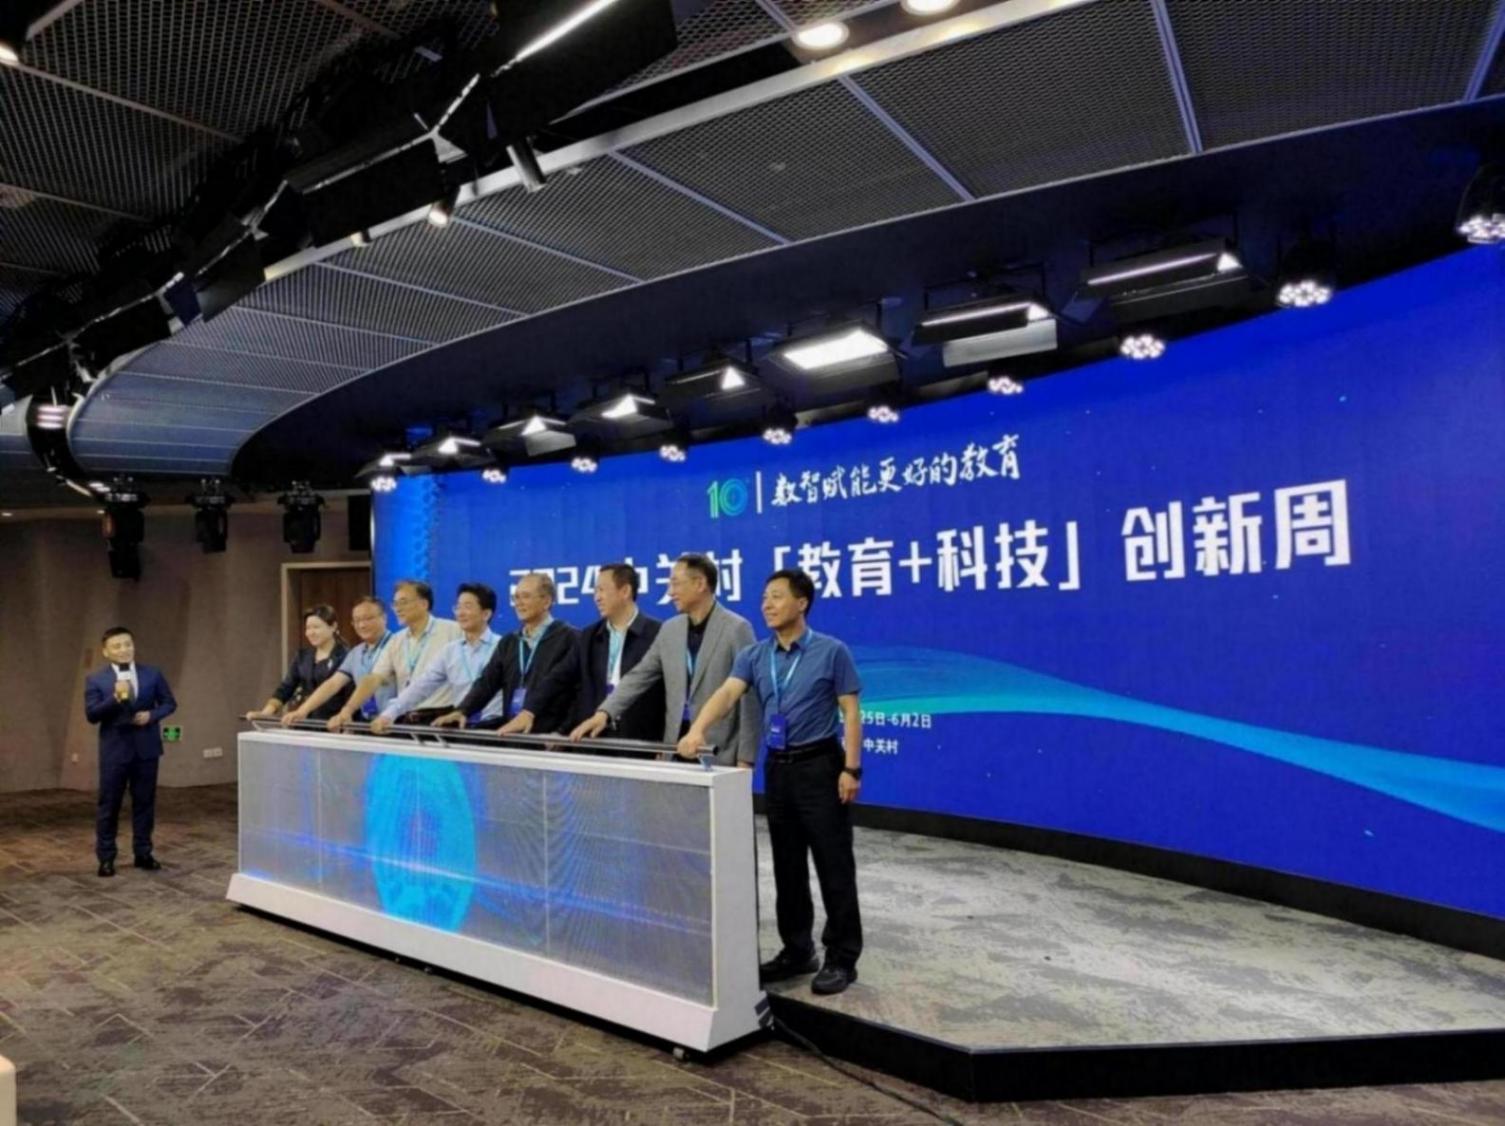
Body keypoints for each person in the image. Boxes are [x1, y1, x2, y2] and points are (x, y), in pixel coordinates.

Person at [677, 569, 864, 995]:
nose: (767, 605)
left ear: (802, 603)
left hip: (821, 765)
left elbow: (851, 712)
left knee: (834, 865)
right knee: (787, 866)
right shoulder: (755, 655)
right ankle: (797, 951)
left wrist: (851, 769)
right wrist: (698, 729)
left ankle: (842, 957)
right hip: (778, 768)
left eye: (777, 596)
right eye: (764, 597)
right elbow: (727, 694)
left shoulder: (831, 651)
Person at [570, 553, 759, 766]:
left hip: (718, 751)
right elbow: (639, 676)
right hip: (675, 748)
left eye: (676, 584)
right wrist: (604, 713)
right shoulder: (670, 629)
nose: (670, 592)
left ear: (700, 584)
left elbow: (749, 700)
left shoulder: (736, 629)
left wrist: (746, 758)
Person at [499, 563, 664, 739]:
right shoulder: (589, 636)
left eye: (602, 590)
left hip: (641, 739)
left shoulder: (657, 633)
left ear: (625, 591)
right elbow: (559, 677)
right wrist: (529, 711)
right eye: (595, 591)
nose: (597, 597)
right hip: (594, 737)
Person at [83, 627, 178, 878]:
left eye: (127, 644)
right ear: (106, 652)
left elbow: (169, 703)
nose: (124, 649)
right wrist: (115, 697)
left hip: (146, 749)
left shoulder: (152, 674)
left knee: (144, 804)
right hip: (114, 751)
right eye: (117, 646)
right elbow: (92, 715)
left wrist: (151, 715)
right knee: (109, 806)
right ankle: (106, 858)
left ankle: (143, 853)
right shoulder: (96, 680)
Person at [433, 573, 576, 731]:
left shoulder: (570, 638)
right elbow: (487, 682)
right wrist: (462, 711)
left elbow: (577, 691)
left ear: (546, 602)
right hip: (513, 731)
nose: (518, 603)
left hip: (551, 735)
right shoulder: (509, 642)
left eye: (525, 596)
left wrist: (561, 732)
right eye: (516, 597)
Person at [370, 583, 504, 734]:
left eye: (467, 606)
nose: (460, 613)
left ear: (486, 614)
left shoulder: (503, 646)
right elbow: (422, 685)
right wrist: (389, 714)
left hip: (495, 728)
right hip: (462, 727)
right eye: (458, 607)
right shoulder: (451, 651)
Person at [329, 579, 462, 729]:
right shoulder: (397, 640)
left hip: (442, 719)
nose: (397, 609)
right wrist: (348, 709)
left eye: (403, 602)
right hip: (405, 719)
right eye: (395, 604)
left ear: (424, 604)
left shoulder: (453, 631)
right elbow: (374, 678)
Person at [280, 596, 395, 726]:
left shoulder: (398, 645)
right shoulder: (356, 653)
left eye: (368, 619)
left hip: (394, 722)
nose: (362, 625)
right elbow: (333, 683)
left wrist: (347, 711)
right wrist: (302, 711)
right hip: (367, 724)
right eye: (357, 620)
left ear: (384, 618)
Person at [244, 604, 350, 722]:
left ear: (333, 626)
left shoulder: (347, 656)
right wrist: (265, 713)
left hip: (335, 723)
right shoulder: (302, 656)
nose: (311, 632)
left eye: (316, 627)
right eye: (308, 628)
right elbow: (286, 687)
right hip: (305, 722)